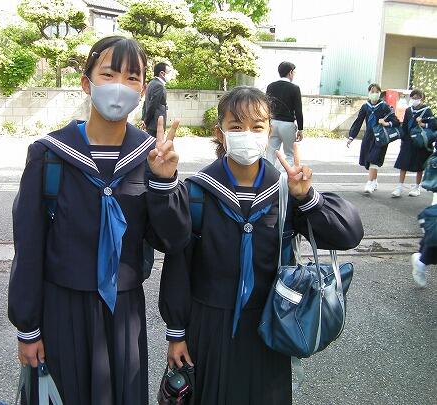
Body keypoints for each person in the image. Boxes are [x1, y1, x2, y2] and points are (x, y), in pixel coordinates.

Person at [8, 36, 191, 405]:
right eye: (108, 74)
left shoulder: (150, 156)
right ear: (86, 83)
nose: (119, 86)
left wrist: (164, 183)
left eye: (132, 77)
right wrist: (28, 327)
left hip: (124, 313)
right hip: (63, 309)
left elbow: (172, 240)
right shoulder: (49, 155)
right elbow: (28, 246)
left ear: (143, 91)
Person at [159, 86, 364, 405]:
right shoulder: (198, 192)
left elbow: (347, 235)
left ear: (269, 133)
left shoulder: (285, 191)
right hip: (209, 326)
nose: (247, 134)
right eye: (236, 126)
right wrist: (176, 333)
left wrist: (308, 198)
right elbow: (178, 264)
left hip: (270, 325)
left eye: (257, 127)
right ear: (220, 133)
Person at [347, 83, 400, 194]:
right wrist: (351, 136)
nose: (374, 94)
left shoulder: (384, 106)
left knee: (373, 159)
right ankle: (374, 181)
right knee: (369, 160)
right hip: (368, 136)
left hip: (380, 137)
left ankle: (370, 183)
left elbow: (395, 121)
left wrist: (386, 123)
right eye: (372, 91)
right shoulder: (365, 106)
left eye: (377, 92)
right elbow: (358, 121)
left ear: (380, 93)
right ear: (369, 93)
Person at [392, 89, 437, 197]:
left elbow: (434, 125)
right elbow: (404, 125)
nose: (414, 100)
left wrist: (423, 124)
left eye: (417, 98)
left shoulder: (427, 110)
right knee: (403, 164)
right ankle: (399, 187)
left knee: (419, 165)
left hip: (420, 141)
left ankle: (417, 187)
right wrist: (403, 138)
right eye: (413, 98)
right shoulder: (408, 110)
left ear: (422, 98)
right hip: (408, 140)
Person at [266, 61, 304, 167]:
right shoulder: (294, 88)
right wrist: (300, 129)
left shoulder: (270, 86)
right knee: (290, 154)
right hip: (287, 124)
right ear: (290, 72)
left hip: (273, 123)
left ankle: (270, 174)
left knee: (271, 152)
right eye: (293, 72)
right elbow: (298, 110)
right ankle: (284, 175)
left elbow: (266, 106)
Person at [141, 62, 172, 137]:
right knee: (156, 143)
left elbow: (146, 103)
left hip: (152, 124)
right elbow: (153, 105)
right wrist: (146, 121)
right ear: (162, 73)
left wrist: (144, 119)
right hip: (156, 125)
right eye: (169, 72)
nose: (171, 75)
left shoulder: (151, 83)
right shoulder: (159, 86)